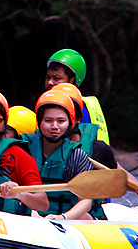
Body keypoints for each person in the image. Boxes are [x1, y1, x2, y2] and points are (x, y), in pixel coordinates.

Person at [52, 82, 138, 199]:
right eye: (50, 118)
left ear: (78, 118)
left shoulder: (98, 149)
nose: (55, 125)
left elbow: (120, 177)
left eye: (65, 115)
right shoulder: (39, 147)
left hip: (85, 208)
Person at [23, 90, 96, 220]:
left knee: (86, 217)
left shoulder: (77, 155)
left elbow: (86, 200)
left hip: (65, 217)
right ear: (39, 122)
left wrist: (62, 218)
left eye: (61, 121)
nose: (54, 126)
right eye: (48, 120)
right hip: (30, 215)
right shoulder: (25, 149)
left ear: (69, 123)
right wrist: (32, 213)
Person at [45, 48, 110, 144]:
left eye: (56, 78)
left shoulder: (80, 109)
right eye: (47, 77)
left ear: (72, 81)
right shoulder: (49, 105)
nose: (50, 82)